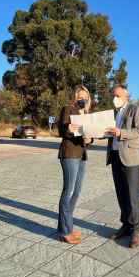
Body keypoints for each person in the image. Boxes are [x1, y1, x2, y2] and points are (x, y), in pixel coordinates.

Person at [105, 84, 139, 248]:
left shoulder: (136, 109)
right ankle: (126, 225)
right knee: (121, 193)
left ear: (126, 96)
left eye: (118, 96)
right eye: (113, 96)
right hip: (115, 156)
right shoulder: (113, 113)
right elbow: (109, 132)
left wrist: (121, 133)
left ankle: (135, 228)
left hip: (131, 158)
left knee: (132, 195)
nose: (115, 98)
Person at [57, 85, 93, 244]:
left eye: (85, 96)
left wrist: (90, 139)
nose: (82, 98)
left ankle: (66, 226)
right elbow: (62, 129)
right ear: (75, 97)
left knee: (77, 192)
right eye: (80, 95)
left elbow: (89, 137)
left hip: (82, 154)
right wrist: (69, 129)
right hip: (70, 154)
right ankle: (65, 231)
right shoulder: (68, 109)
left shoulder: (87, 115)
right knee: (69, 191)